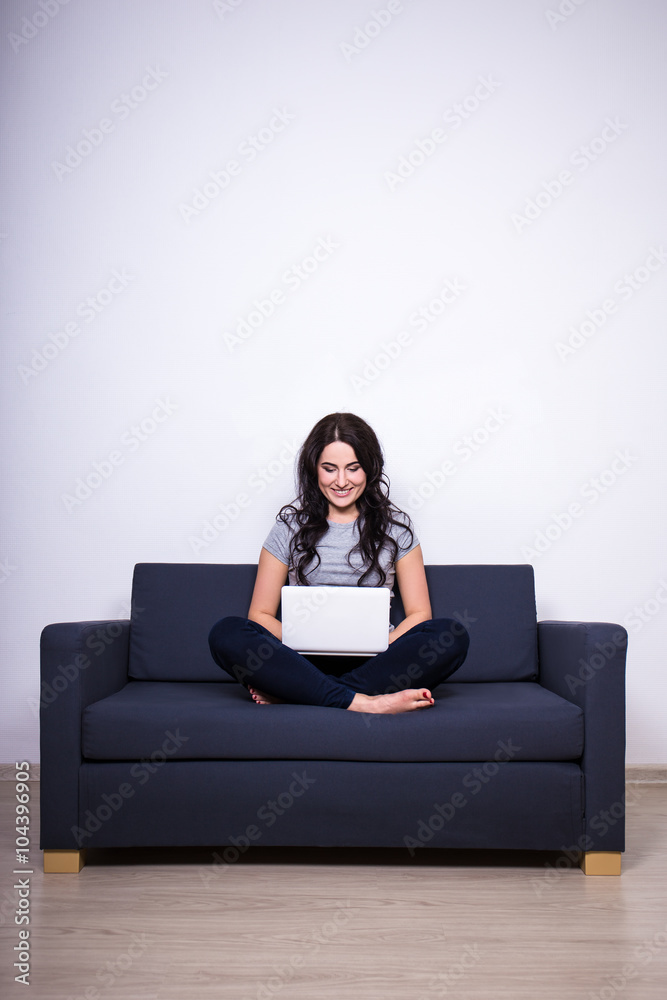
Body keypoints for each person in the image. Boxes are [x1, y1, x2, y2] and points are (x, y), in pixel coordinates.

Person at [208, 412, 470, 713]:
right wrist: (302, 636)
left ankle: (304, 693)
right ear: (314, 470)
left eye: (353, 468)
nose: (341, 481)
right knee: (226, 633)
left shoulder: (396, 529)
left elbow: (420, 614)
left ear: (369, 469)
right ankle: (366, 703)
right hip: (299, 659)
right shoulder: (288, 527)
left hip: (375, 662)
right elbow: (261, 614)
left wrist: (383, 641)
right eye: (329, 469)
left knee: (451, 636)